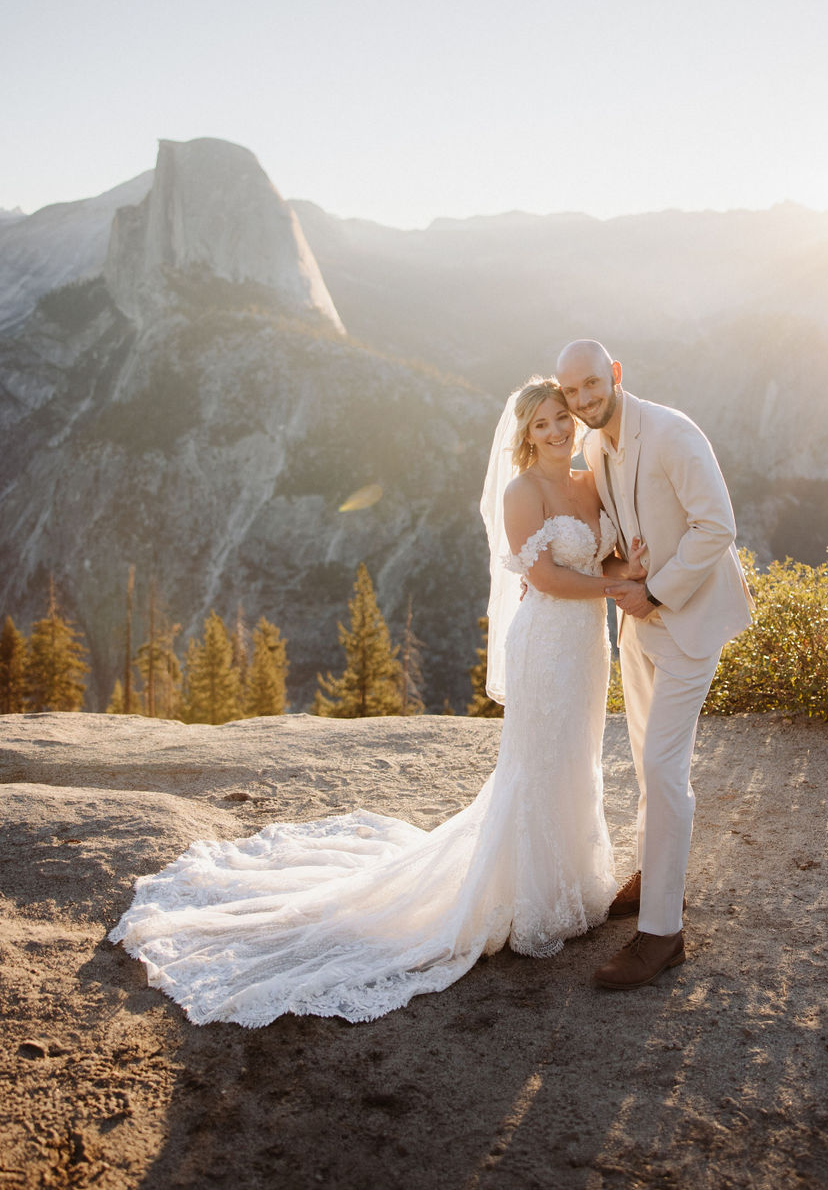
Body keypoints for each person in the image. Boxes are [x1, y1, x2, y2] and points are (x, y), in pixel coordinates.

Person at [109, 378, 644, 1026]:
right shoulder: (521, 491)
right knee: (537, 763)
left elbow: (604, 558)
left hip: (585, 648)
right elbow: (544, 577)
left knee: (576, 756)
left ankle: (570, 886)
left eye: (563, 418)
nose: (558, 430)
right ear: (525, 434)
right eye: (542, 424)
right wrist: (618, 589)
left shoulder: (590, 480)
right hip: (545, 646)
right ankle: (528, 894)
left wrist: (630, 570)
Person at [555, 340, 754, 992]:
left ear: (614, 374)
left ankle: (663, 932)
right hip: (639, 623)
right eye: (572, 392)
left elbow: (716, 526)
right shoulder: (593, 447)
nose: (583, 400)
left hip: (689, 618)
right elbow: (614, 530)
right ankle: (649, 871)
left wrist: (658, 589)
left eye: (592, 384)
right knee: (645, 758)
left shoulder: (671, 432)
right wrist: (619, 571)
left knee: (666, 768)